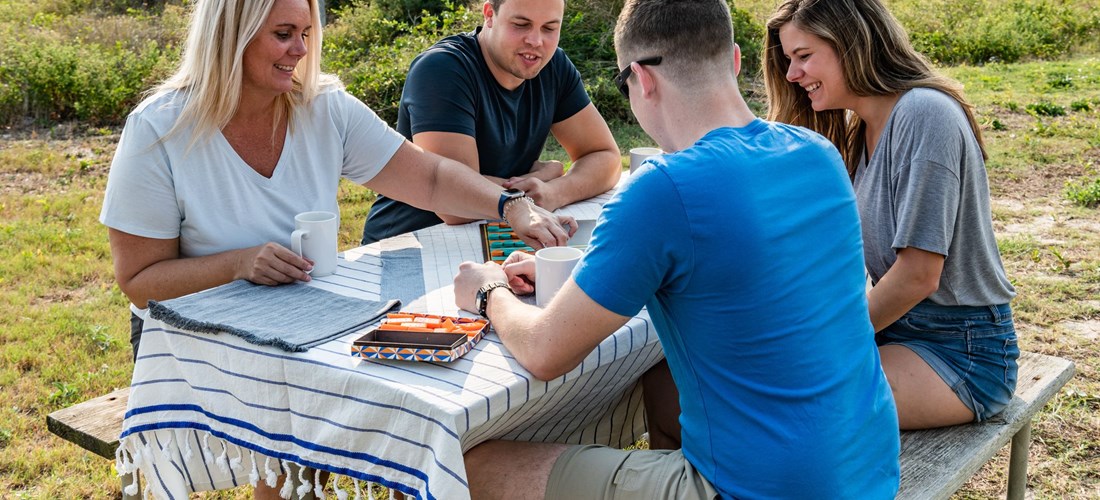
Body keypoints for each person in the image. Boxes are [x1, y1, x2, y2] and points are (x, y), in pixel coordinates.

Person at [98, 0, 573, 496]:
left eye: (306, 33)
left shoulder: (323, 106)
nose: (300, 51)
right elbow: (139, 280)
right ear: (230, 36)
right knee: (299, 445)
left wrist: (509, 204)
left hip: (306, 317)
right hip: (191, 342)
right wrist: (239, 264)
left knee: (369, 414)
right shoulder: (158, 128)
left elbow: (430, 177)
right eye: (283, 34)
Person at [452, 0, 901, 498]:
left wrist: (487, 289)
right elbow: (739, 267)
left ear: (642, 80)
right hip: (869, 469)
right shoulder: (817, 152)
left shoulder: (662, 188)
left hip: (761, 488)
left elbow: (543, 352)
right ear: (733, 60)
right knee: (660, 390)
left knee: (470, 466)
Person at [763, 0, 1019, 430]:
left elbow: (919, 274)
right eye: (789, 61)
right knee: (754, 375)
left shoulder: (924, 114)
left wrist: (825, 340)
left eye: (804, 56)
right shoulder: (860, 130)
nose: (792, 75)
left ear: (853, 44)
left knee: (790, 406)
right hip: (899, 328)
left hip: (962, 351)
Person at [360, 0, 621, 244]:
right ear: (489, 15)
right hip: (408, 243)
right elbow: (454, 204)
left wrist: (553, 191)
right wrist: (541, 176)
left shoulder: (554, 67)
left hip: (496, 234)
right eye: (521, 25)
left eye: (550, 28)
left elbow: (605, 157)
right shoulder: (443, 69)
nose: (536, 41)